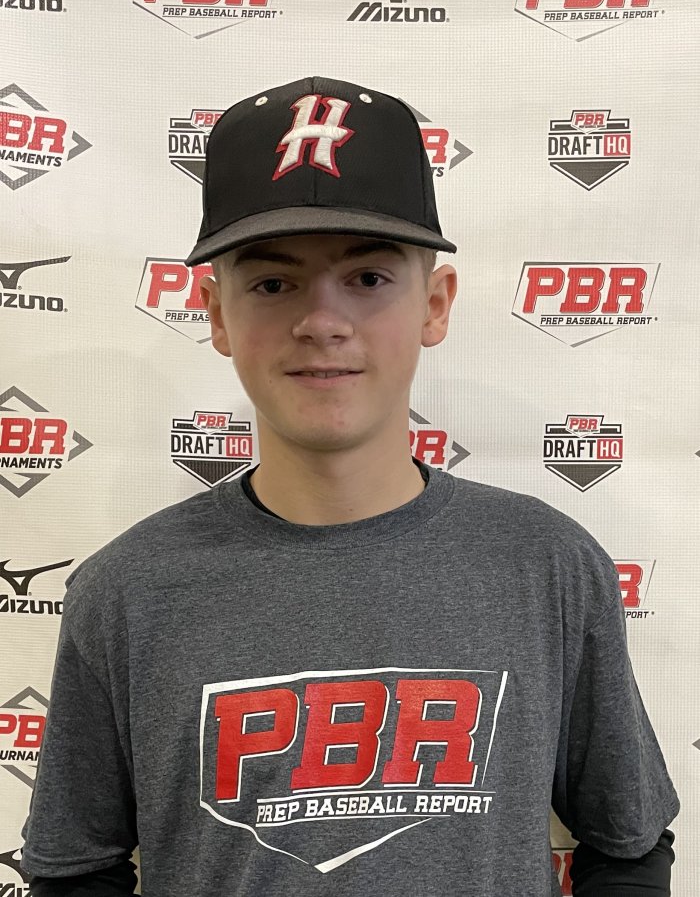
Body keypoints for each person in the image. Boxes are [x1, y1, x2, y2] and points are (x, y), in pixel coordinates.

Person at [21, 77, 679, 895]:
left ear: (435, 303)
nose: (322, 322)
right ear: (216, 313)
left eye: (367, 278)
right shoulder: (126, 592)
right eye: (272, 283)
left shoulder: (546, 565)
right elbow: (75, 872)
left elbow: (628, 847)